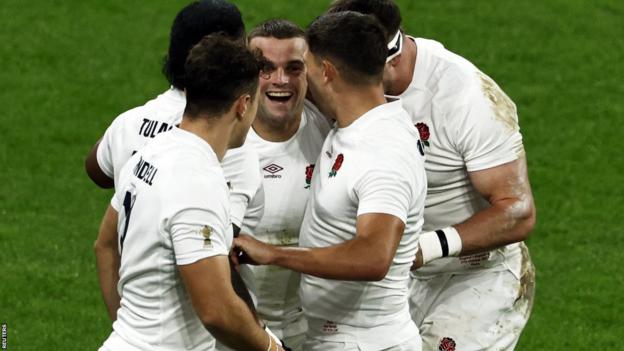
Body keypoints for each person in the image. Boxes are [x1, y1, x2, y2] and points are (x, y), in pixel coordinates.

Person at [327, 1, 537, 350]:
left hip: (475, 276)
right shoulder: (342, 79)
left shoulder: (464, 95)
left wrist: (425, 246)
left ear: (389, 58)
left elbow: (517, 211)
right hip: (397, 276)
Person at [233, 12, 427, 351]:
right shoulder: (350, 126)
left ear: (325, 73)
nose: (291, 79)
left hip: (367, 342)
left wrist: (274, 254)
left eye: (301, 68)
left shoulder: (383, 151)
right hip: (335, 337)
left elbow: (373, 256)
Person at [98, 34, 284, 351]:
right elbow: (217, 311)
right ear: (243, 105)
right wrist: (270, 347)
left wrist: (129, 333)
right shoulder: (196, 180)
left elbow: (104, 244)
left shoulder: (148, 153)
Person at [88, 0, 261, 323]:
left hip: (138, 319)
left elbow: (95, 170)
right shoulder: (233, 147)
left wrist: (120, 323)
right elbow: (218, 256)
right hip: (209, 328)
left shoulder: (130, 123)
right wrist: (265, 338)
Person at [234, 19, 332, 351]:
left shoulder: (332, 132)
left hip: (314, 329)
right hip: (238, 331)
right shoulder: (224, 144)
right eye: (266, 68)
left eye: (293, 68)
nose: (280, 80)